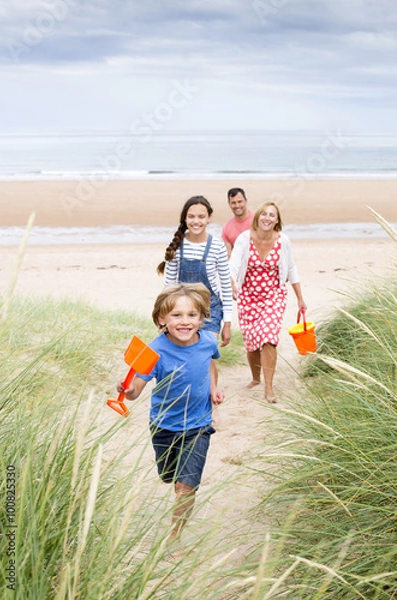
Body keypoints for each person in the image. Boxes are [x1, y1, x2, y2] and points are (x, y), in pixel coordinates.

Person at [117, 283, 223, 545]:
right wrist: (127, 390)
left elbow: (210, 363)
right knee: (168, 477)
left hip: (199, 426)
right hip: (164, 425)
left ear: (201, 319)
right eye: (176, 315)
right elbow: (135, 391)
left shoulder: (208, 341)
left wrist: (214, 388)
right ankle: (172, 476)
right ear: (162, 319)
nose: (185, 322)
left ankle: (174, 537)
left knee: (186, 488)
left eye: (191, 315)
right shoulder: (154, 351)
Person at [229, 202, 307, 403]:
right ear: (257, 217)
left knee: (268, 337)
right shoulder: (244, 239)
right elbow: (234, 264)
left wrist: (300, 298)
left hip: (274, 295)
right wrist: (232, 283)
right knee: (252, 343)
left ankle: (269, 387)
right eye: (263, 214)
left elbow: (291, 268)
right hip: (248, 296)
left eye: (272, 215)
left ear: (277, 221)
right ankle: (256, 379)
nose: (267, 218)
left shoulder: (283, 241)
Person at [157, 195, 232, 347]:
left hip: (210, 310)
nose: (196, 221)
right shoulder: (176, 245)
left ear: (209, 218)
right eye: (191, 216)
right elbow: (169, 286)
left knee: (207, 354)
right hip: (180, 310)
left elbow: (226, 286)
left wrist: (227, 323)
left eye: (201, 216)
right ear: (185, 218)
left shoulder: (218, 247)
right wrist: (165, 317)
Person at [222, 187, 255, 257]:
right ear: (229, 204)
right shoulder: (226, 228)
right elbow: (229, 255)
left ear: (246, 201)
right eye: (233, 203)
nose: (237, 205)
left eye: (240, 202)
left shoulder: (258, 219)